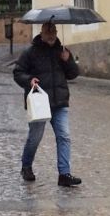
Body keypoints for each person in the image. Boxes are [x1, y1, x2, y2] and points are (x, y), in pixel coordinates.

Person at [13, 22, 82, 187]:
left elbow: (73, 74)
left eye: (53, 32)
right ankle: (26, 166)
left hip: (60, 102)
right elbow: (17, 72)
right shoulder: (31, 52)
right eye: (48, 32)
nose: (51, 35)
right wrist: (29, 80)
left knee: (64, 137)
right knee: (35, 137)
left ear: (57, 32)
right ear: (41, 33)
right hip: (39, 102)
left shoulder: (62, 51)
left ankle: (64, 174)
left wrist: (68, 61)